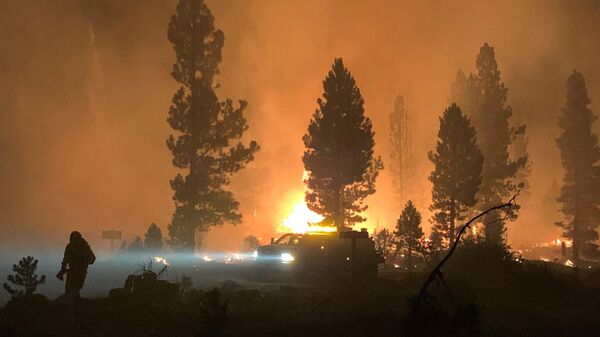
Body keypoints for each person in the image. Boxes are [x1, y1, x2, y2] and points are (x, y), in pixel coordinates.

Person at [57, 231, 96, 297]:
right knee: (75, 290)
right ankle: (75, 304)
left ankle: (72, 305)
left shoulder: (71, 246)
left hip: (74, 272)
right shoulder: (85, 246)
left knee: (71, 291)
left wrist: (62, 270)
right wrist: (85, 263)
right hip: (81, 271)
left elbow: (66, 260)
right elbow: (92, 259)